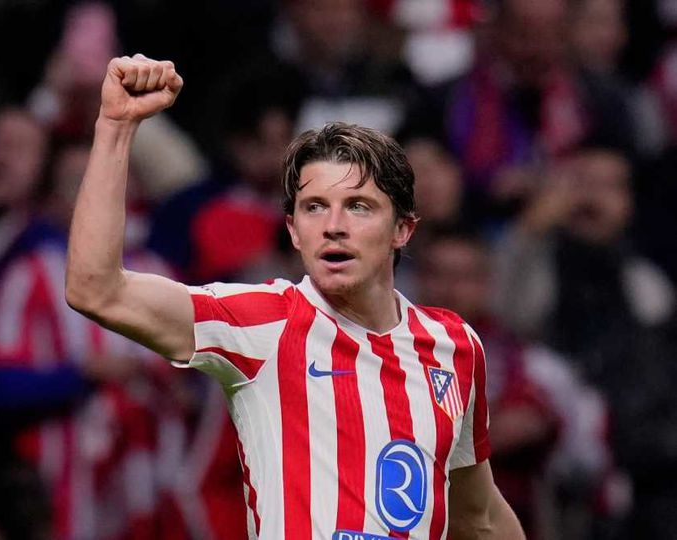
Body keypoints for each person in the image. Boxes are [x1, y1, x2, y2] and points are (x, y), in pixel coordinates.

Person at [65, 53, 525, 539]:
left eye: (359, 207)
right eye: (314, 207)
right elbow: (97, 289)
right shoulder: (263, 324)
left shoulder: (454, 346)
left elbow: (479, 518)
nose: (334, 226)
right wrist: (115, 127)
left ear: (402, 229)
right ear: (293, 230)